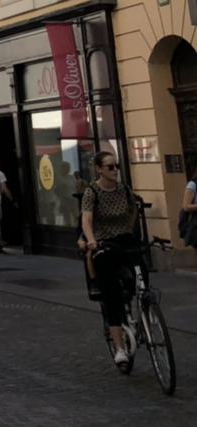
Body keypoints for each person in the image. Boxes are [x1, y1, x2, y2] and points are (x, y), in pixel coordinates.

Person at [80, 149, 140, 367]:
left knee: (141, 277)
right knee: (111, 296)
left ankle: (143, 311)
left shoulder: (124, 189)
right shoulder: (92, 192)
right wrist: (92, 240)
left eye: (117, 166)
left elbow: (133, 209)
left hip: (125, 241)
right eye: (110, 167)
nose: (115, 170)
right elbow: (86, 220)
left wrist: (128, 229)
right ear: (99, 169)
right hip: (104, 243)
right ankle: (120, 348)